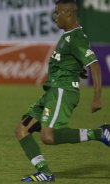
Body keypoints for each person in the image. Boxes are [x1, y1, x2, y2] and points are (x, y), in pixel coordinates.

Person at [15, 0, 110, 182]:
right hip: (51, 91)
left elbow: (95, 65)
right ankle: (45, 172)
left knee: (47, 137)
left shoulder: (76, 37)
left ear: (68, 14)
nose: (54, 16)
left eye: (57, 12)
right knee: (21, 130)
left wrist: (97, 97)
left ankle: (100, 133)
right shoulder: (67, 36)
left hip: (62, 91)